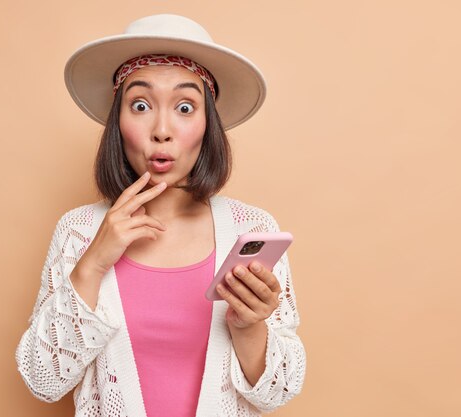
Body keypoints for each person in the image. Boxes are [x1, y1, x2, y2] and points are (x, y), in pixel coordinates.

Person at [15, 14, 306, 417]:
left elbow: (277, 395)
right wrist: (93, 264)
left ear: (208, 125)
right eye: (140, 105)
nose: (162, 129)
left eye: (185, 107)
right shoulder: (80, 232)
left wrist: (249, 326)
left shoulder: (251, 229)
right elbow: (42, 380)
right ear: (118, 122)